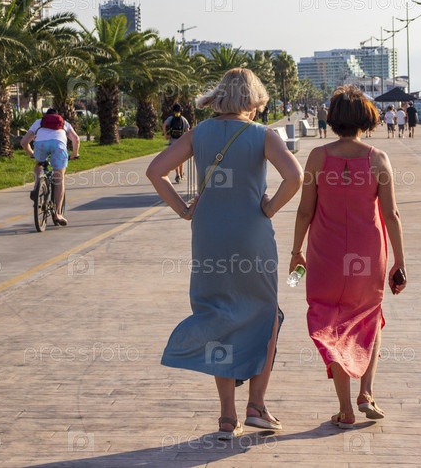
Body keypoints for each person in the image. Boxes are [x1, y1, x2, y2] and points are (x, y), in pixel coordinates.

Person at [146, 68, 303, 440]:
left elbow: (156, 171)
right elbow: (295, 177)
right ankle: (257, 406)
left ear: (220, 96)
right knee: (266, 314)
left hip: (209, 236)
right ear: (253, 100)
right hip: (251, 236)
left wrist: (184, 210)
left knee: (219, 316)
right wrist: (269, 208)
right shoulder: (263, 135)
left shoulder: (199, 133)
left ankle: (227, 417)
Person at [290, 85, 406, 429]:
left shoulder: (317, 157)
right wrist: (400, 261)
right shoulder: (377, 158)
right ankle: (366, 393)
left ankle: (345, 409)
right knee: (370, 315)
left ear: (334, 118)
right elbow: (392, 214)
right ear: (366, 119)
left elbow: (304, 211)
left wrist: (296, 251)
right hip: (368, 254)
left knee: (328, 321)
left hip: (324, 254)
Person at [20, 108, 80, 226]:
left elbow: (24, 142)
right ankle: (58, 214)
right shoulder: (64, 123)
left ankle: (37, 187)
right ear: (58, 116)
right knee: (59, 179)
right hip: (58, 146)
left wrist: (31, 153)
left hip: (41, 145)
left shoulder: (39, 122)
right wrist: (74, 154)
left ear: (45, 116)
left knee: (39, 164)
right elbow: (76, 139)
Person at [162, 103, 191, 183]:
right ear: (180, 111)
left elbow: (164, 125)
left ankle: (177, 175)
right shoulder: (183, 119)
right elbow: (188, 131)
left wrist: (166, 135)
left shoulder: (171, 118)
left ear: (173, 111)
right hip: (181, 142)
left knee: (175, 159)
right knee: (181, 159)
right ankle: (181, 174)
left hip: (173, 142)